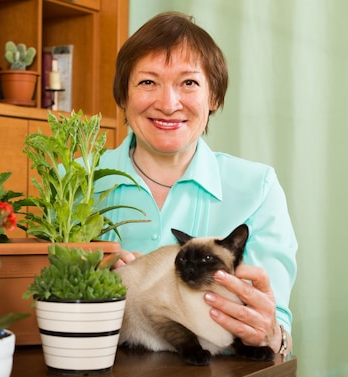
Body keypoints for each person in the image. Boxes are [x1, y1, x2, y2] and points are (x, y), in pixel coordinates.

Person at [98, 11, 296, 355]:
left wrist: (269, 333)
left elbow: (276, 335)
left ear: (214, 96)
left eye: (188, 83)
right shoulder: (74, 183)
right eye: (148, 82)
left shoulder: (257, 188)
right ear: (122, 96)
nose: (168, 104)